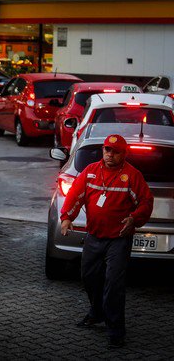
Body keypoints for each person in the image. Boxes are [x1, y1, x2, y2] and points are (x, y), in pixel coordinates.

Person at [60, 134, 153, 349]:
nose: (110, 155)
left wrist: (134, 218)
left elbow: (146, 202)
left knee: (113, 285)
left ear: (124, 154)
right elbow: (75, 195)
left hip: (118, 240)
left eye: (115, 151)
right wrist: (66, 217)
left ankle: (116, 331)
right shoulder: (90, 171)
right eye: (107, 150)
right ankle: (97, 312)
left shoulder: (132, 176)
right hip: (94, 236)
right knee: (89, 277)